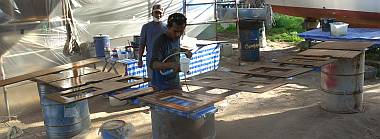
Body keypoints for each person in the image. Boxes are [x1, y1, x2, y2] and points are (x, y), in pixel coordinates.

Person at [150, 13, 192, 91]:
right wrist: (172, 65)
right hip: (161, 85)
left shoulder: (177, 38)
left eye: (181, 31)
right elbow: (153, 64)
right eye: (175, 31)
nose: (178, 34)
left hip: (175, 83)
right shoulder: (160, 41)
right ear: (168, 27)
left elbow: (173, 49)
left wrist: (185, 51)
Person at [138, 4, 167, 82]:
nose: (158, 15)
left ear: (163, 14)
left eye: (160, 13)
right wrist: (139, 59)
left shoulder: (167, 27)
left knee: (164, 82)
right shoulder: (146, 27)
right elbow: (142, 44)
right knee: (152, 82)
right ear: (152, 14)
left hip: (164, 60)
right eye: (156, 13)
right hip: (151, 60)